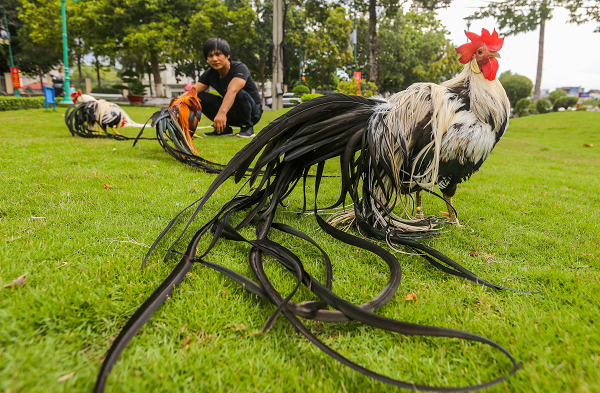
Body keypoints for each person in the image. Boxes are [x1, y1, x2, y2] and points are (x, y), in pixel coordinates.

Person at [192, 38, 263, 138]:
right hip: (231, 113)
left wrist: (221, 113)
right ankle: (224, 129)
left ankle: (247, 128)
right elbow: (192, 91)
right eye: (210, 56)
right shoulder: (210, 74)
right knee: (198, 96)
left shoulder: (239, 68)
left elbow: (233, 90)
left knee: (238, 91)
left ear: (227, 55)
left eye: (218, 54)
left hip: (252, 113)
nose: (214, 59)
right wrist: (172, 109)